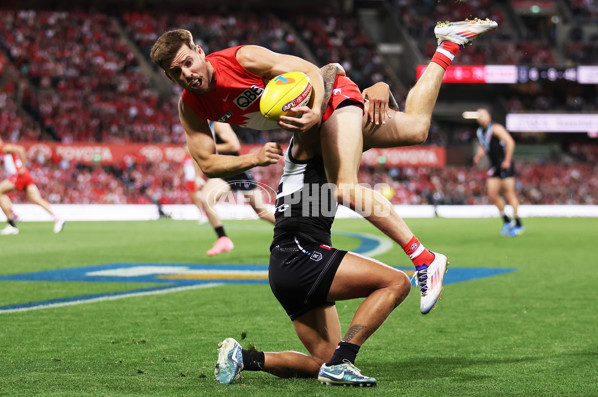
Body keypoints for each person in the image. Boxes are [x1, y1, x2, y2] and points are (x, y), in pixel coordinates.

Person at [150, 18, 497, 313]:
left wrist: (317, 110)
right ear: (170, 77)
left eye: (187, 62)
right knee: (417, 128)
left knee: (343, 187)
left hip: (330, 100)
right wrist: (254, 158)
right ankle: (448, 45)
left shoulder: (243, 58)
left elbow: (312, 71)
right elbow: (207, 162)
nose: (186, 73)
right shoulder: (191, 107)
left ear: (199, 52)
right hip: (321, 118)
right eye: (176, 71)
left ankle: (425, 260)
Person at [215, 129, 418, 386]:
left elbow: (370, 136)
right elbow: (404, 129)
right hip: (302, 256)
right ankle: (344, 360)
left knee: (322, 361)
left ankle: (244, 358)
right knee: (397, 282)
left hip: (287, 263)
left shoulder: (328, 155)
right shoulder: (307, 143)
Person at [197, 121, 275, 255]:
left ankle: (297, 230)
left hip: (236, 168)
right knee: (205, 199)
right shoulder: (201, 129)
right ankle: (223, 238)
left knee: (261, 211)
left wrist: (211, 147)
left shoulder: (218, 123)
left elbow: (234, 145)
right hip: (223, 169)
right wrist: (197, 176)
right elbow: (197, 155)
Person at [473, 108, 524, 237]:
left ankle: (518, 224)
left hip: (504, 164)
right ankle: (507, 221)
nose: (480, 117)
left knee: (509, 193)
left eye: (482, 115)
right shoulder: (480, 132)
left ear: (488, 116)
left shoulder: (496, 128)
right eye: (478, 116)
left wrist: (507, 160)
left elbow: (510, 142)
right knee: (492, 194)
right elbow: (484, 145)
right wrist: (479, 156)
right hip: (495, 165)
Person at [0, 139, 64, 235]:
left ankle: (12, 221)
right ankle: (58, 218)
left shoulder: (4, 147)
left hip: (20, 176)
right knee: (36, 199)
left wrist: (22, 167)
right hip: (25, 175)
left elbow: (20, 149)